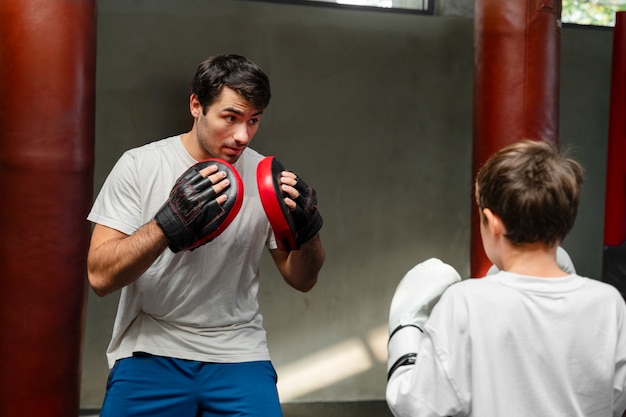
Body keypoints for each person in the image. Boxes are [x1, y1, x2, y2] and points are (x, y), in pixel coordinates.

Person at [87, 54, 325, 417]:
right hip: (152, 346)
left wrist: (310, 231)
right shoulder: (141, 166)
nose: (242, 135)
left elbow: (302, 279)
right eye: (230, 117)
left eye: (254, 120)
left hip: (238, 351)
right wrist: (165, 224)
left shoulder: (266, 180)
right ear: (196, 105)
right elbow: (100, 277)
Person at [386, 140, 626, 417]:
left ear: (493, 223)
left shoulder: (465, 302)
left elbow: (416, 406)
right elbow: (616, 401)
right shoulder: (609, 304)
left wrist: (405, 329)